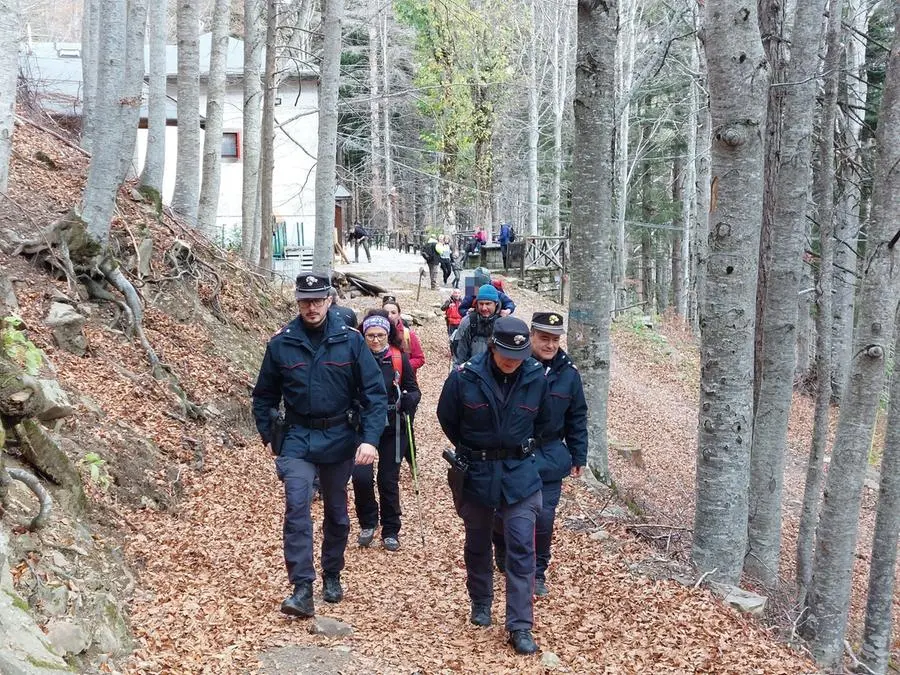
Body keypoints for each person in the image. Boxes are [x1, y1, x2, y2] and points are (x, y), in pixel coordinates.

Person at [251, 273, 388, 618]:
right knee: (297, 506)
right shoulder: (281, 343)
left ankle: (332, 573)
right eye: (305, 300)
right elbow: (264, 395)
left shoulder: (351, 341)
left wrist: (370, 440)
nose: (311, 307)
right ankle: (302, 587)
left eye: (317, 300)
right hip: (297, 438)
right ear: (297, 302)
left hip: (340, 437)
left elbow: (374, 394)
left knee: (338, 514)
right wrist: (270, 435)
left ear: (329, 300)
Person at [437, 316, 551, 655]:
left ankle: (520, 625)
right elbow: (448, 419)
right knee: (477, 541)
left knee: (521, 547)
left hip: (520, 473)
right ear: (492, 346)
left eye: (518, 356)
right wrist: (476, 448)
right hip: (478, 470)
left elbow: (544, 423)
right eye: (505, 355)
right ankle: (481, 600)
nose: (512, 362)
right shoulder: (464, 377)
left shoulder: (535, 377)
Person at [492, 312, 587, 598]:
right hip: (512, 454)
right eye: (544, 338)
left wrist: (579, 454)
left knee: (544, 518)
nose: (550, 345)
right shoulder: (514, 365)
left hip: (549, 455)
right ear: (532, 336)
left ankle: (538, 571)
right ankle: (503, 545)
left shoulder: (569, 373)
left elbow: (577, 416)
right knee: (503, 513)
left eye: (555, 339)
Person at [351, 311, 421, 552]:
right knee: (360, 477)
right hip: (363, 425)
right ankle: (368, 522)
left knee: (388, 479)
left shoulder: (399, 358)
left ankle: (391, 529)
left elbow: (413, 389)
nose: (375, 340)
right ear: (363, 335)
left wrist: (409, 401)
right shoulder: (355, 359)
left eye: (380, 335)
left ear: (388, 335)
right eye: (370, 336)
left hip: (394, 425)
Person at [452, 284, 501, 367]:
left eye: (488, 304)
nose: (484, 308)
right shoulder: (468, 322)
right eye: (481, 304)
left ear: (496, 304)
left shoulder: (503, 324)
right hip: (472, 373)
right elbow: (459, 355)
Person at [382, 296, 425, 372]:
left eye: (393, 312)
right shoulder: (374, 333)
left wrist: (402, 365)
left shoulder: (407, 335)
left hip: (403, 378)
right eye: (386, 313)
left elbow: (419, 359)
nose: (389, 316)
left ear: (399, 315)